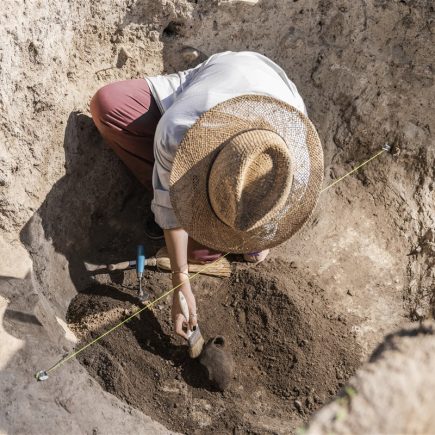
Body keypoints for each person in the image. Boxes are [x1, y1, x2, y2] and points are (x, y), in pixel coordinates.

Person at [90, 51, 323, 340]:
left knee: (208, 249)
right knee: (109, 104)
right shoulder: (179, 130)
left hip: (272, 88)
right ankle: (200, 204)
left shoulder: (293, 161)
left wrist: (259, 235)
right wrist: (180, 281)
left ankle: (241, 232)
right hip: (215, 77)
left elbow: (278, 202)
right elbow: (170, 215)